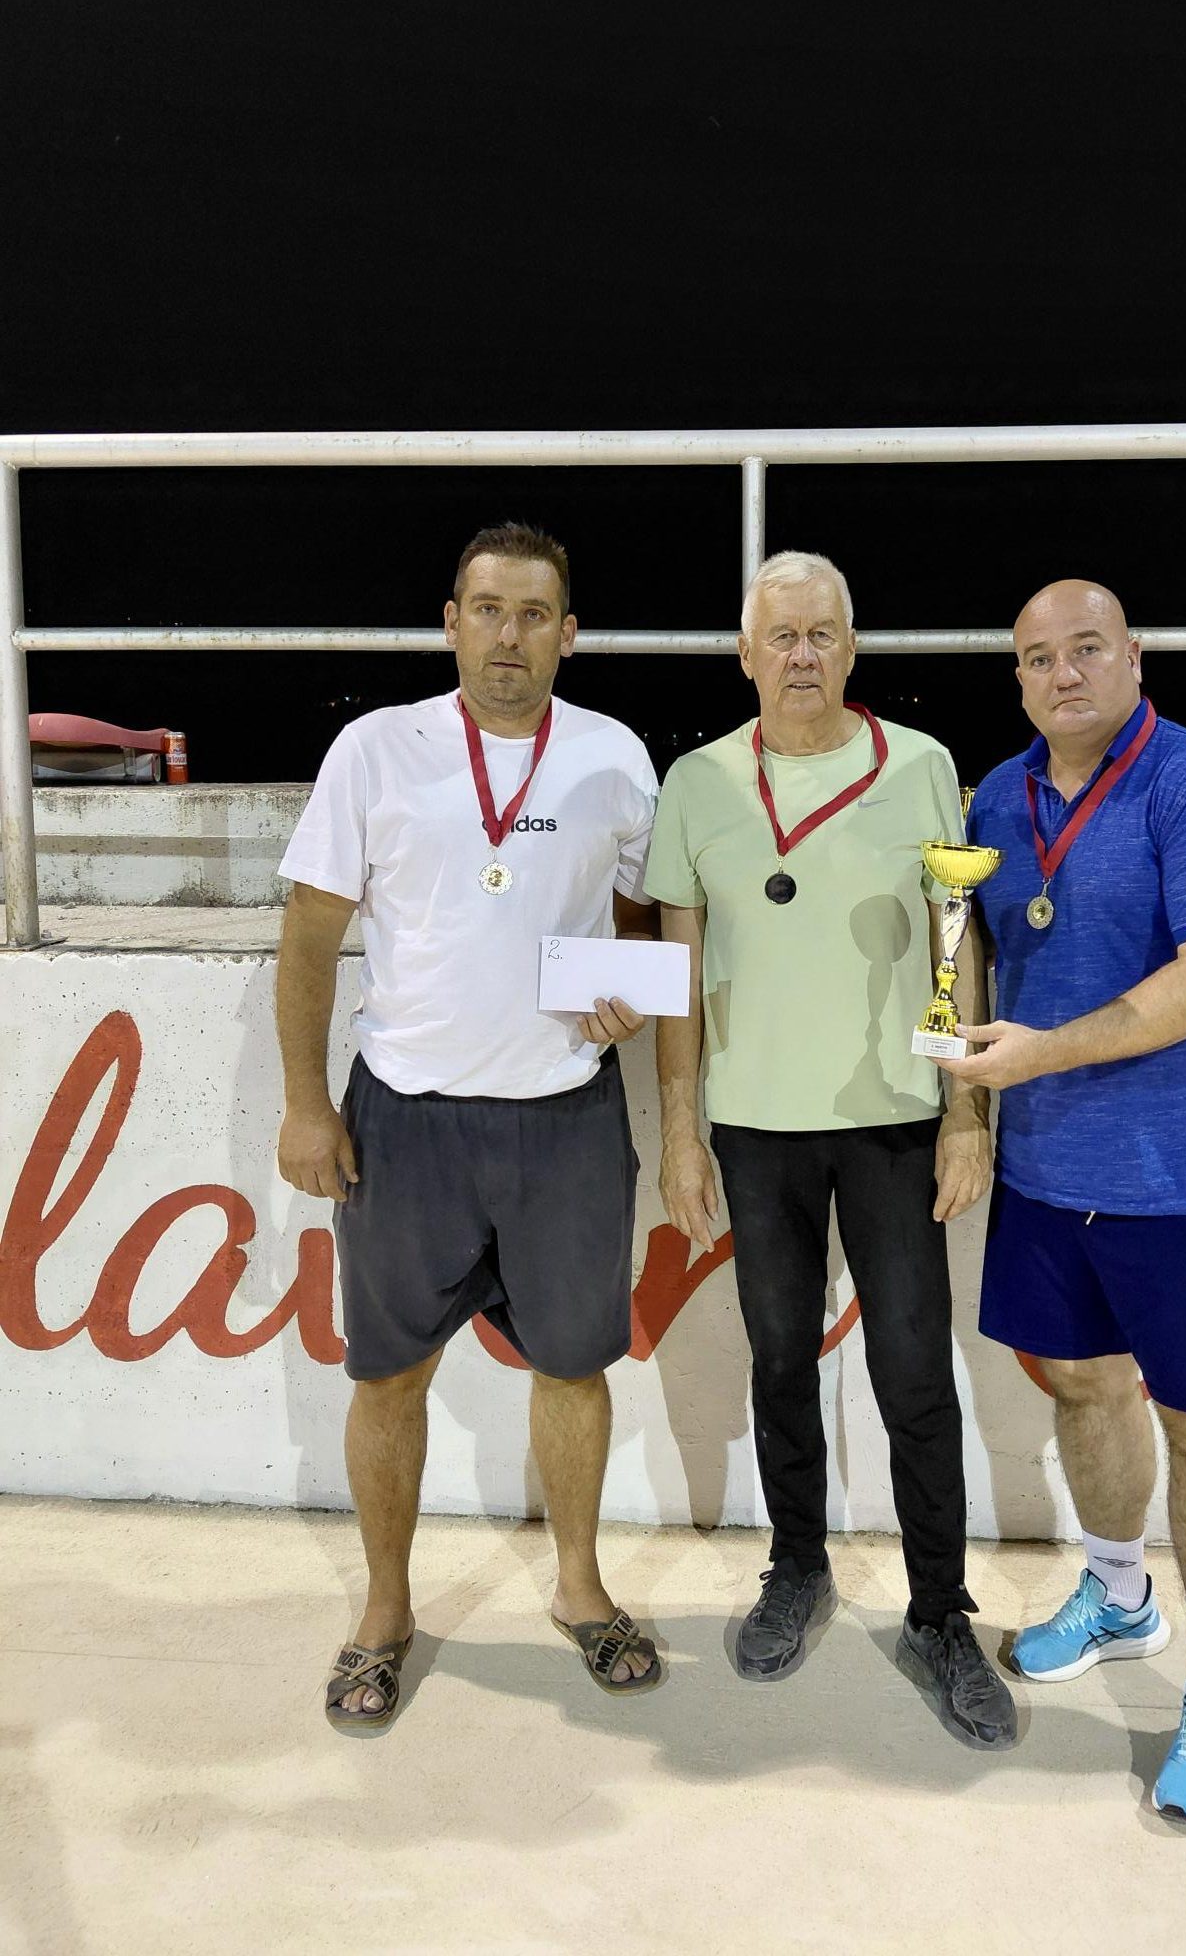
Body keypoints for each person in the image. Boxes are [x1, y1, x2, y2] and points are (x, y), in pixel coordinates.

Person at [276, 521, 664, 1726]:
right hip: (408, 1119)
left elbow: (642, 923)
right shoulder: (375, 750)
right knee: (388, 1377)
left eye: (534, 614)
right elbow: (309, 935)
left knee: (575, 1369)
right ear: (451, 623)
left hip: (565, 1118)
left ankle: (579, 1588)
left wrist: (626, 994)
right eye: (487, 610)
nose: (509, 635)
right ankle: (385, 1610)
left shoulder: (614, 755)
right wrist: (305, 1105)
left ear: (568, 633)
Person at [646, 549, 1017, 1752]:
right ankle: (797, 1566)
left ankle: (940, 1612)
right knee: (778, 1361)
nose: (802, 655)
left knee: (914, 1374)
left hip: (896, 1122)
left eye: (822, 635)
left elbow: (956, 940)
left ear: (851, 650)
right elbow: (678, 973)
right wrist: (683, 1133)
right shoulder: (698, 782)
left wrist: (965, 1112)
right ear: (745, 654)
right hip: (754, 1128)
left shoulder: (921, 766)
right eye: (781, 635)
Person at [944, 577, 1186, 1825]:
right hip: (1046, 1171)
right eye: (1039, 658)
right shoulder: (998, 797)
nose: (1065, 674)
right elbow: (973, 946)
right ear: (1020, 680)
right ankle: (1120, 1593)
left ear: (1133, 656)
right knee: (1086, 1388)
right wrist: (969, 1104)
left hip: (1182, 1179)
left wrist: (1042, 1052)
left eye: (1087, 649)